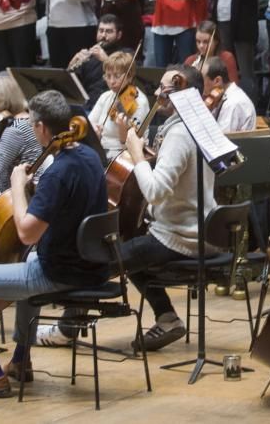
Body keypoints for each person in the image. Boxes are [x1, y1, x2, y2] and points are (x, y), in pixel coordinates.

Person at [0, 90, 108, 399]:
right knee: (28, 260)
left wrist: (18, 187)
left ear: (41, 129)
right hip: (94, 264)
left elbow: (27, 233)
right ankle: (21, 359)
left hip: (60, 272)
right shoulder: (89, 156)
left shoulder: (57, 172)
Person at [104, 65, 215, 352]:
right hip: (200, 227)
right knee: (131, 247)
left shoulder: (179, 135)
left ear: (181, 91)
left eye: (164, 89)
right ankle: (167, 318)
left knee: (109, 259)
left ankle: (68, 326)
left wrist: (137, 153)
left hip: (179, 237)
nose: (155, 93)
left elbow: (153, 192)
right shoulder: (202, 125)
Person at [0, 74, 44, 190]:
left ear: (4, 99)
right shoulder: (29, 119)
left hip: (17, 197)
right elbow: (4, 155)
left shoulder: (15, 130)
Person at [88, 51, 150, 160]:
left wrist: (122, 127)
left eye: (117, 76)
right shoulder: (106, 96)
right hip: (101, 150)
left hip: (123, 155)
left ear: (129, 76)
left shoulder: (139, 101)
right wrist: (94, 132)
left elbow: (130, 145)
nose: (112, 81)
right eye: (108, 76)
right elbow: (90, 123)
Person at [69, 15, 126, 110]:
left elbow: (127, 76)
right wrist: (71, 64)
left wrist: (106, 59)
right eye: (101, 31)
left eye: (109, 31)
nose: (103, 35)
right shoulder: (88, 56)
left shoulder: (126, 53)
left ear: (119, 35)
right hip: (89, 106)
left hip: (114, 107)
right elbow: (72, 86)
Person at [202, 57, 255, 132]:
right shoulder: (220, 96)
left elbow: (224, 138)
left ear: (217, 81)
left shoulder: (232, 103)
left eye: (202, 79)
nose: (200, 84)